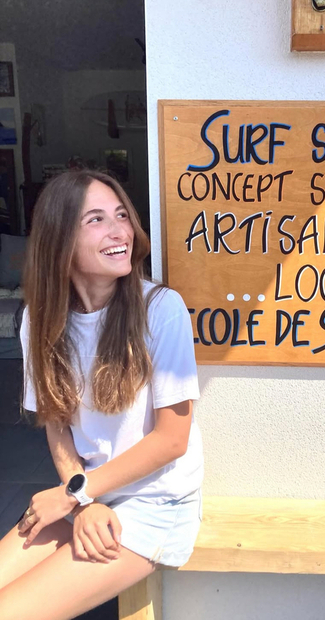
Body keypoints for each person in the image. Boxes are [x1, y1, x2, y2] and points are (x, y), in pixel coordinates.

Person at [0, 170, 203, 620]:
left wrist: (75, 495)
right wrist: (82, 499)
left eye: (121, 216)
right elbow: (55, 422)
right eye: (96, 219)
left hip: (155, 504)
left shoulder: (160, 309)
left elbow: (172, 440)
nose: (119, 231)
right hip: (87, 494)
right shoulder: (40, 318)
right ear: (60, 241)